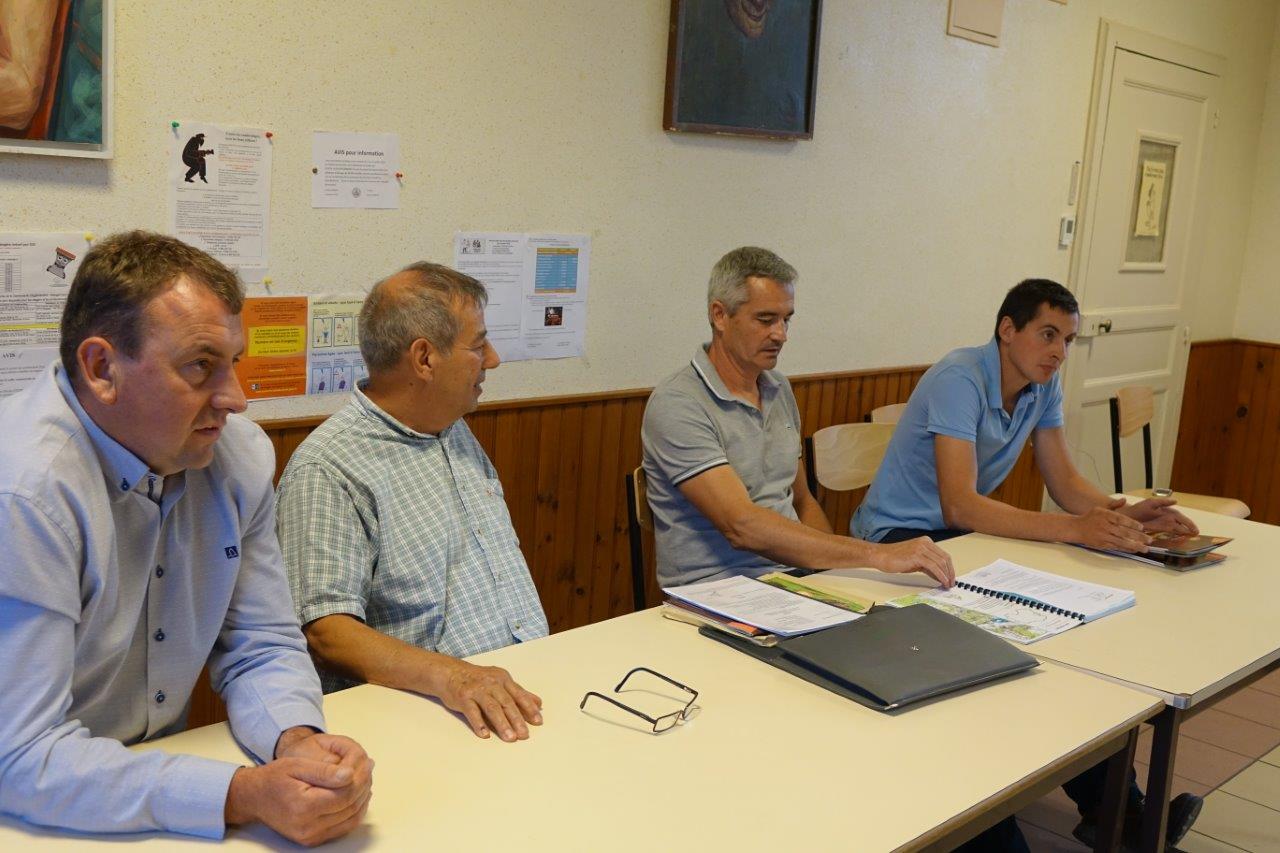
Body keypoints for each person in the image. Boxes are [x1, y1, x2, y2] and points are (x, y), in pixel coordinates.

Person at [0, 231, 373, 846]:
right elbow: (21, 756)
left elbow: (259, 643)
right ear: (101, 369)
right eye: (201, 365)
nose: (236, 399)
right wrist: (240, 794)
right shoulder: (27, 490)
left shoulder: (235, 458)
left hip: (146, 794)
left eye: (235, 362)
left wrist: (297, 744)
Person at [852, 277, 1201, 849]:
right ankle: (1022, 813)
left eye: (1067, 339)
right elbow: (959, 502)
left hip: (960, 538)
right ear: (1006, 330)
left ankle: (1119, 813)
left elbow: (1064, 482)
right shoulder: (958, 378)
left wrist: (1124, 515)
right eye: (1047, 334)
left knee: (1064, 646)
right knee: (1003, 652)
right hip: (900, 538)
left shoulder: (1043, 385)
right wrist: (1077, 529)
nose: (1059, 351)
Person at [277, 262, 550, 744]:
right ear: (424, 359)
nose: (493, 359)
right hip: (429, 718)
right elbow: (326, 631)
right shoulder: (329, 468)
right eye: (477, 345)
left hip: (514, 691)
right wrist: (455, 677)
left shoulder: (450, 427)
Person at [641, 246, 955, 591]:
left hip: (790, 582)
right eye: (765, 320)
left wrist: (834, 582)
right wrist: (876, 555)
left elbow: (802, 501)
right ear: (719, 315)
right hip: (717, 592)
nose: (781, 334)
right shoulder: (678, 402)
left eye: (786, 319)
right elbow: (741, 526)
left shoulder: (777, 387)